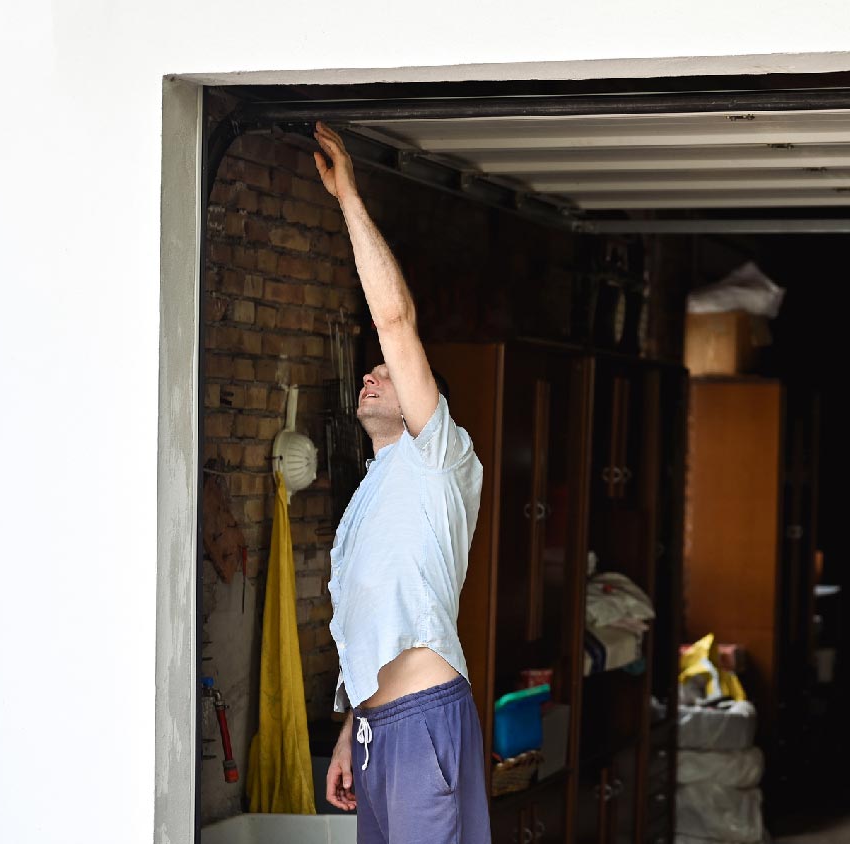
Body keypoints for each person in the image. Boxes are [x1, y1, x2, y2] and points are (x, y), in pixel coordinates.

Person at [314, 120, 490, 844]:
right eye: (371, 372)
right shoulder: (372, 490)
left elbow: (394, 316)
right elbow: (370, 617)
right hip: (378, 729)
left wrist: (349, 198)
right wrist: (351, 727)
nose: (370, 373)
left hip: (423, 722)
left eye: (385, 371)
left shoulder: (437, 456)